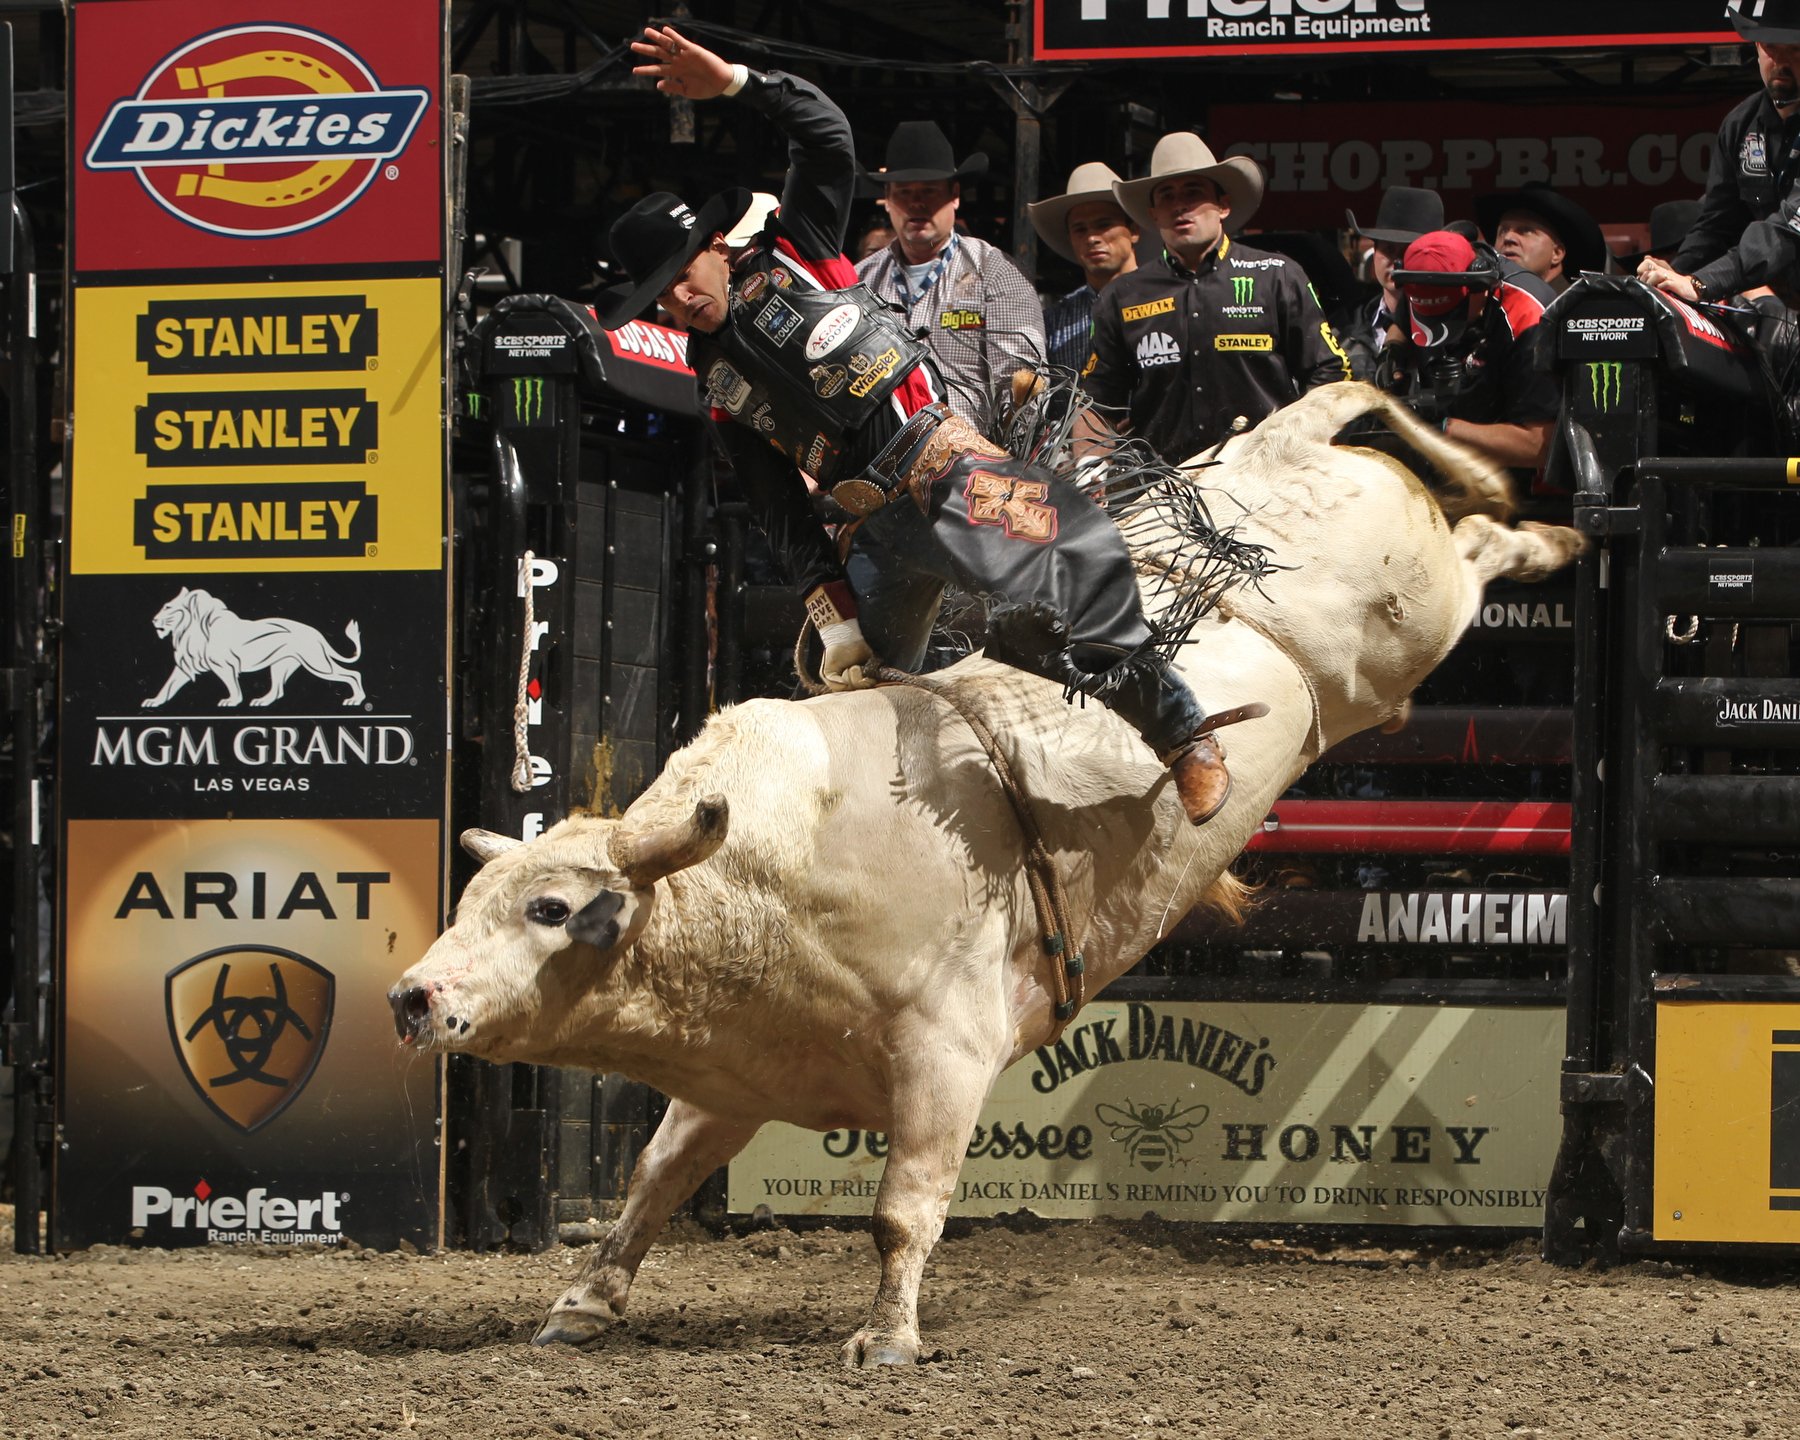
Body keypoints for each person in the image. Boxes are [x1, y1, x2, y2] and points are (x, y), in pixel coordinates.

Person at [598, 25, 1266, 824]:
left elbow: (826, 136)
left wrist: (740, 82)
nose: (678, 300)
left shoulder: (798, 253)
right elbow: (774, 499)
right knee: (858, 687)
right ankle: (867, 840)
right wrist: (830, 607)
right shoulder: (714, 378)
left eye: (680, 277)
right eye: (661, 297)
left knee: (1057, 591)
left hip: (954, 470)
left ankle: (1185, 735)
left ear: (714, 245)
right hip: (873, 528)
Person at [1078, 131, 1350, 464]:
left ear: (1223, 206)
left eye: (1193, 193)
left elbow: (1330, 371)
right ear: (1153, 215)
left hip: (1265, 480)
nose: (1180, 205)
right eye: (1166, 196)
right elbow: (1096, 401)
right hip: (1162, 487)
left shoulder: (1276, 274)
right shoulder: (1122, 295)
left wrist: (1302, 448)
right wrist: (1090, 469)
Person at [855, 121, 1046, 436]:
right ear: (887, 200)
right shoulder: (860, 281)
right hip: (879, 469)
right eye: (904, 192)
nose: (917, 203)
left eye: (929, 191)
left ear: (954, 195)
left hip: (969, 466)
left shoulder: (996, 273)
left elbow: (1021, 385)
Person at [1643, 2, 1800, 305]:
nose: (1779, 61)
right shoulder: (1741, 123)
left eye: (1793, 49)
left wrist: (1701, 283)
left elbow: (1788, 229)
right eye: (1770, 47)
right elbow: (1718, 224)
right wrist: (1675, 276)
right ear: (1756, 46)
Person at [1393, 229, 1559, 472]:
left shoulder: (1528, 318)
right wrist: (1392, 353)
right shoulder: (1421, 278)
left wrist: (1439, 428)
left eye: (1449, 316)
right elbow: (1401, 319)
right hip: (1457, 453)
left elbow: (1539, 446)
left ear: (1478, 287)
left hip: (1519, 476)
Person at [1028, 162, 1139, 373]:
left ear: (1134, 230)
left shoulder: (1169, 302)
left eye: (1104, 225)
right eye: (1080, 229)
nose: (1092, 238)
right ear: (1070, 239)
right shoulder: (1054, 322)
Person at [1344, 185, 1444, 378]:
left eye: (1409, 252)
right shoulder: (1345, 326)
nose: (1397, 262)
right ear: (1374, 253)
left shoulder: (1453, 330)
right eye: (1388, 250)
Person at [1474, 182, 1610, 294]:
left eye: (1526, 231)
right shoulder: (1482, 306)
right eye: (1503, 231)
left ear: (1557, 253)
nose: (1508, 238)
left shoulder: (1577, 310)